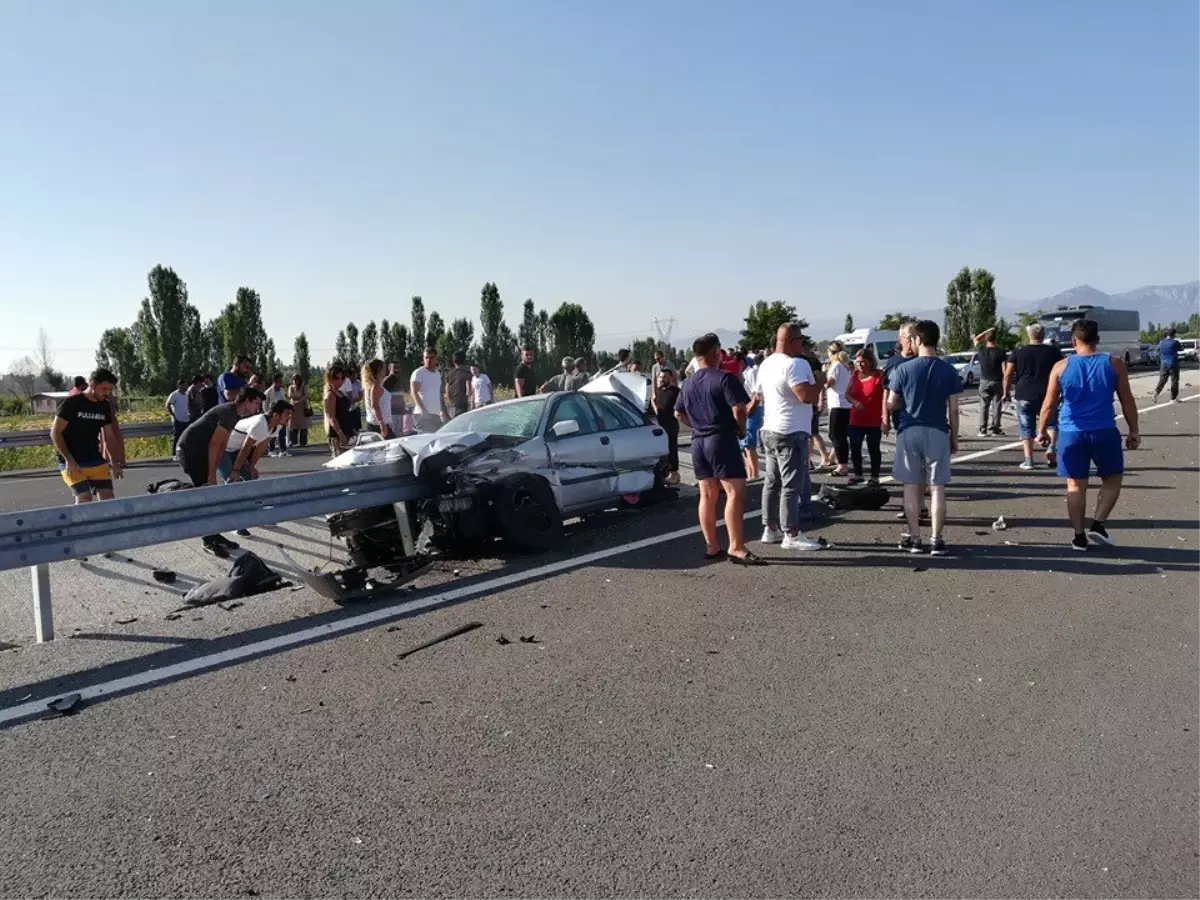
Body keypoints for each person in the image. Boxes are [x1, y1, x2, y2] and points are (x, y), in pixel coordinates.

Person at [1038, 318, 1140, 552]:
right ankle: (1098, 523)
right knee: (1112, 479)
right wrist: (1134, 430)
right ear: (1098, 340)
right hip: (1104, 430)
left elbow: (1048, 405)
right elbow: (1127, 400)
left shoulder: (1061, 367)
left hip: (1071, 433)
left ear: (1073, 341)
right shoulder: (1113, 364)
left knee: (1074, 485)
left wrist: (1042, 431)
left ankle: (1079, 536)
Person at [674, 333, 762, 565]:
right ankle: (736, 546)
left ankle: (712, 545)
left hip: (698, 442)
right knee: (734, 493)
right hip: (720, 438)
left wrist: (696, 424)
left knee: (707, 494)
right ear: (716, 353)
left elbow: (678, 413)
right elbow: (740, 408)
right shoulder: (725, 378)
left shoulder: (688, 383)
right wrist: (740, 429)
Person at [887, 320, 961, 557]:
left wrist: (898, 403)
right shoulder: (948, 370)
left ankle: (915, 538)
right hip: (938, 430)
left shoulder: (902, 370)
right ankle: (937, 540)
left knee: (910, 486)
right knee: (937, 486)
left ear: (916, 340)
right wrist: (954, 438)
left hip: (909, 430)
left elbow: (890, 403)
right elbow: (954, 409)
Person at [756, 324, 825, 552]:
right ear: (793, 341)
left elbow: (759, 395)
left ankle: (770, 528)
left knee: (772, 482)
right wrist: (821, 382)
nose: (803, 347)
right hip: (790, 431)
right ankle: (791, 533)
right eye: (801, 342)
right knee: (791, 486)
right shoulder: (795, 364)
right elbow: (805, 396)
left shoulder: (766, 364)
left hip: (769, 428)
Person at [175, 386, 264, 555]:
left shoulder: (233, 413)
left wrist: (217, 470)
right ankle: (208, 541)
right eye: (256, 404)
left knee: (211, 496)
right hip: (190, 452)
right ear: (247, 401)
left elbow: (222, 444)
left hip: (199, 452)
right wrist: (211, 475)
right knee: (207, 496)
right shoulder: (228, 413)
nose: (257, 409)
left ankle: (214, 535)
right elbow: (215, 444)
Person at [49, 368, 123, 504]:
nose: (107, 393)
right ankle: (80, 526)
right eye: (104, 389)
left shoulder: (104, 406)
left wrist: (114, 462)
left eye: (110, 390)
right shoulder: (71, 404)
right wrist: (69, 460)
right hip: (72, 460)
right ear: (93, 384)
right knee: (84, 498)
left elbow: (109, 436)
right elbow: (55, 433)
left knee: (108, 499)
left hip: (94, 458)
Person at [1004, 323, 1062, 470]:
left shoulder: (1018, 351)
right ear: (1043, 335)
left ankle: (1029, 460)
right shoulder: (1053, 352)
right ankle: (1051, 448)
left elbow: (1008, 373)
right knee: (1052, 422)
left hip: (1024, 393)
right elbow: (1062, 370)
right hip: (1047, 392)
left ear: (1029, 335)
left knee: (1026, 427)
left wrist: (1006, 392)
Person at [220, 400, 294, 484]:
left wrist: (251, 467)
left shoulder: (278, 426)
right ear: (276, 415)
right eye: (287, 414)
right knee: (232, 480)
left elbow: (260, 448)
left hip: (235, 450)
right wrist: (236, 470)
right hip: (221, 448)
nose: (290, 417)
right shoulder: (259, 423)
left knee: (250, 477)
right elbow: (246, 448)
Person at [847, 348, 886, 484]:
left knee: (873, 447)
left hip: (874, 419)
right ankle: (858, 474)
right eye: (858, 362)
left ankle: (874, 477)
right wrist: (855, 402)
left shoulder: (878, 375)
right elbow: (847, 394)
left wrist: (886, 417)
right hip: (856, 418)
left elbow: (886, 395)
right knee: (855, 446)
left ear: (870, 362)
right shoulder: (855, 375)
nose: (860, 365)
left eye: (863, 362)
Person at [824, 341, 852, 475]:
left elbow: (831, 383)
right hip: (845, 403)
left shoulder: (835, 366)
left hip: (837, 403)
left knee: (835, 434)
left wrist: (821, 382)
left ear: (831, 353)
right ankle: (842, 462)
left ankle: (842, 464)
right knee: (840, 435)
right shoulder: (845, 366)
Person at [973, 327, 1007, 436]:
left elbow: (976, 339)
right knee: (997, 405)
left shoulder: (981, 349)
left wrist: (986, 330)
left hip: (984, 381)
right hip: (997, 381)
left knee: (984, 405)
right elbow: (1004, 369)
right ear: (995, 339)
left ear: (986, 339)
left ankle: (982, 429)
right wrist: (1006, 383)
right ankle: (995, 428)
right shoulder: (1001, 351)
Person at [652, 366, 681, 485]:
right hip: (661, 424)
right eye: (660, 377)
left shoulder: (676, 392)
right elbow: (657, 409)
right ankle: (666, 472)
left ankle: (674, 473)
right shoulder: (660, 391)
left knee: (671, 448)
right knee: (663, 451)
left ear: (671, 378)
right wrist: (654, 402)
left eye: (665, 377)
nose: (662, 379)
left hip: (671, 424)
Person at [739, 354, 763, 480]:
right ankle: (750, 474)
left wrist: (749, 409)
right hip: (745, 409)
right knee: (744, 446)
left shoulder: (751, 373)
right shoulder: (740, 375)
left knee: (749, 443)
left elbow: (756, 394)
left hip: (752, 409)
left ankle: (755, 474)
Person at [411, 347, 445, 433]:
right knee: (425, 441)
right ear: (423, 358)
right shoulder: (419, 373)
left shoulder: (437, 374)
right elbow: (413, 392)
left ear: (436, 359)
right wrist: (423, 409)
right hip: (423, 415)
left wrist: (442, 410)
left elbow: (439, 394)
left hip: (436, 415)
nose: (429, 360)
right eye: (426, 357)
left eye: (432, 358)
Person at [322, 364, 354, 456]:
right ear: (330, 379)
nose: (340, 381)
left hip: (346, 432)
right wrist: (341, 434)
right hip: (337, 436)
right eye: (336, 378)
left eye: (342, 378)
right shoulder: (330, 395)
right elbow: (331, 417)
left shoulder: (339, 392)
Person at [361, 358, 395, 438]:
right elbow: (375, 406)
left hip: (378, 424)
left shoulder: (374, 385)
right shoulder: (375, 386)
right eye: (383, 368)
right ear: (379, 370)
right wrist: (382, 423)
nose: (385, 370)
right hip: (378, 426)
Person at [263, 373, 289, 457]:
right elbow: (264, 404)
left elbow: (284, 401)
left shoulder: (282, 390)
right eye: (279, 381)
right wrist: (268, 414)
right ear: (275, 381)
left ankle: (283, 450)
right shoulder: (268, 392)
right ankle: (272, 450)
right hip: (273, 416)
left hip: (282, 415)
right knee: (272, 433)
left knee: (282, 432)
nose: (281, 383)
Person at [1153, 327, 1182, 403]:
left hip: (1163, 364)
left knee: (1162, 380)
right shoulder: (1175, 342)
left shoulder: (1161, 342)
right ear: (1174, 335)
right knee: (1174, 381)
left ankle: (1156, 393)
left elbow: (1157, 350)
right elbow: (1181, 348)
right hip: (1173, 363)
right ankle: (1173, 398)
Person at [165, 379, 191, 455]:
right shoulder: (174, 395)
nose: (186, 386)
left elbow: (186, 406)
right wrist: (173, 416)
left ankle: (183, 453)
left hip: (186, 419)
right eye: (185, 385)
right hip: (178, 420)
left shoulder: (186, 395)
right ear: (180, 385)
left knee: (185, 437)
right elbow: (167, 405)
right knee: (177, 437)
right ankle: (174, 454)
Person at [286, 374, 310, 447]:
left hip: (302, 408)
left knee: (303, 426)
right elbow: (289, 395)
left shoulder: (304, 387)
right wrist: (296, 397)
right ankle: (293, 442)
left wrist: (298, 401)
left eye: (297, 380)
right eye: (294, 380)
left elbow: (306, 396)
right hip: (293, 408)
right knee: (293, 425)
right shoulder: (291, 387)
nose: (296, 381)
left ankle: (303, 442)